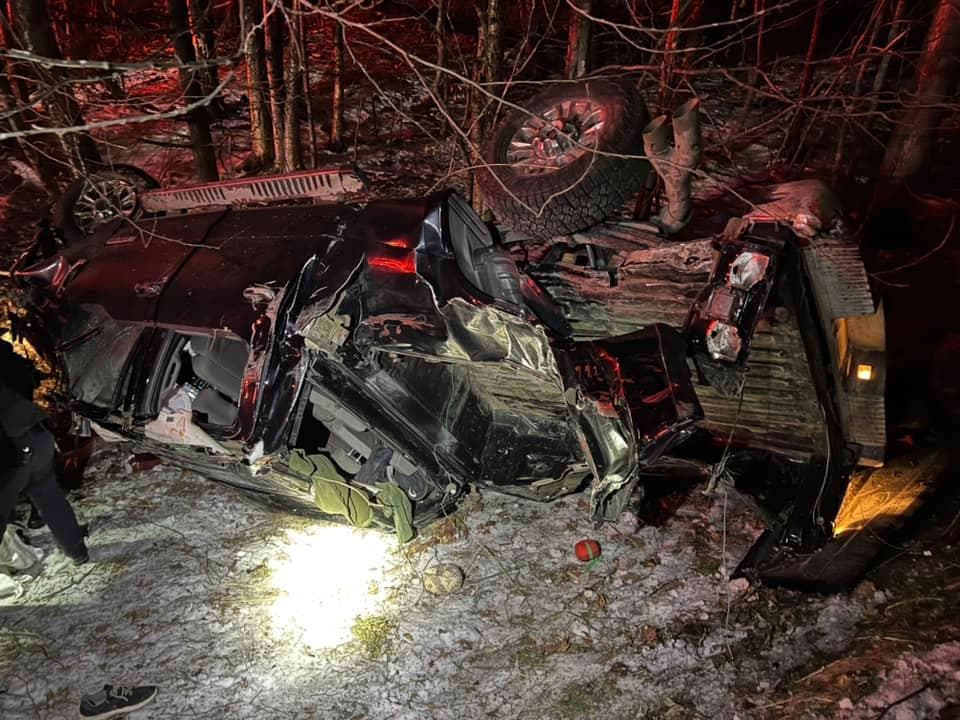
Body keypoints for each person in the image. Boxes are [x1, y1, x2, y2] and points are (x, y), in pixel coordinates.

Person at [0, 338, 88, 565]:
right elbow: (28, 379)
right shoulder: (10, 360)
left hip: (13, 448)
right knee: (49, 496)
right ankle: (77, 552)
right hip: (38, 434)